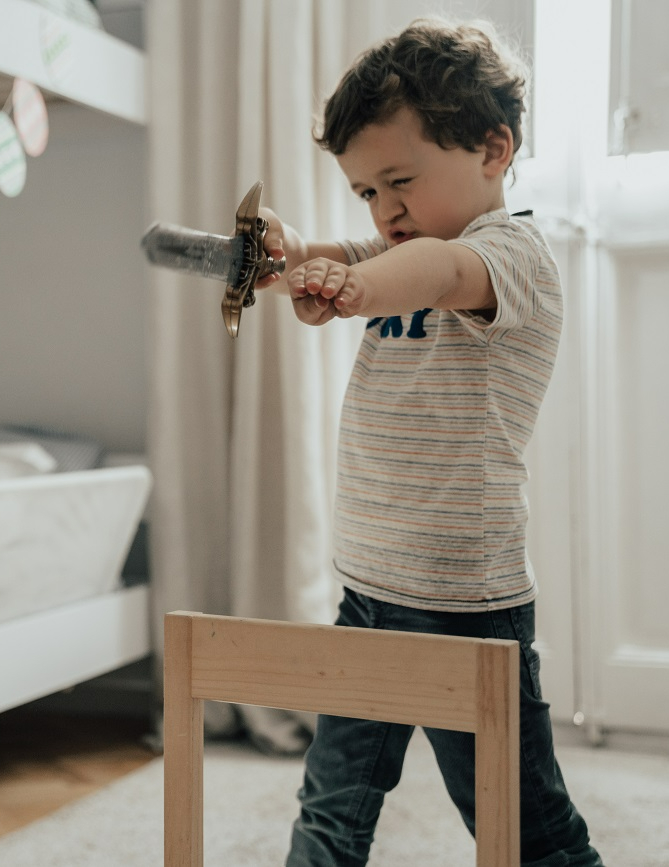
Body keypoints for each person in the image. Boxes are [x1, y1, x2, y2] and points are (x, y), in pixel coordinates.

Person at [254, 18, 605, 867]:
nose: (384, 211)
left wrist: (348, 286)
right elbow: (361, 253)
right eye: (366, 192)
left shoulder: (510, 255)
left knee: (518, 823)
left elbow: (436, 275)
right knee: (331, 804)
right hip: (368, 587)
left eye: (399, 181)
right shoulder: (395, 246)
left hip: (467, 607)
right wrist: (305, 255)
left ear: (492, 148)